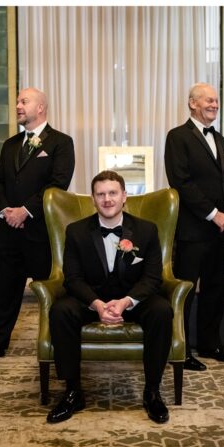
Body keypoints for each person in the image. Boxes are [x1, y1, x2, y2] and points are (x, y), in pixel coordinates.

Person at [46, 171, 173, 424]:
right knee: (61, 310)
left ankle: (152, 392)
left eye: (112, 193)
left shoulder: (146, 230)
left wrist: (126, 302)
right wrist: (97, 304)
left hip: (133, 299)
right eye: (100, 194)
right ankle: (73, 392)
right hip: (92, 299)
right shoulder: (76, 231)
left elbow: (152, 278)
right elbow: (73, 278)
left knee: (162, 310)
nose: (107, 199)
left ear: (124, 196)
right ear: (93, 199)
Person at [0, 88, 75, 365]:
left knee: (49, 294)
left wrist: (26, 211)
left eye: (24, 101)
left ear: (40, 107)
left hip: (41, 233)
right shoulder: (9, 144)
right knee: (5, 292)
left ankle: (56, 344)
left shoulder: (61, 143)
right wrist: (6, 211)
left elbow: (57, 184)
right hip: (9, 233)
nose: (18, 105)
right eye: (18, 101)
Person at [164, 82, 224, 371]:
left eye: (217, 101)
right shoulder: (177, 137)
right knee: (185, 291)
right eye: (209, 100)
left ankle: (211, 344)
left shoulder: (221, 140)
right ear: (192, 103)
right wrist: (213, 214)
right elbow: (181, 183)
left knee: (215, 290)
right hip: (192, 231)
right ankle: (180, 349)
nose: (215, 105)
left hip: (220, 231)